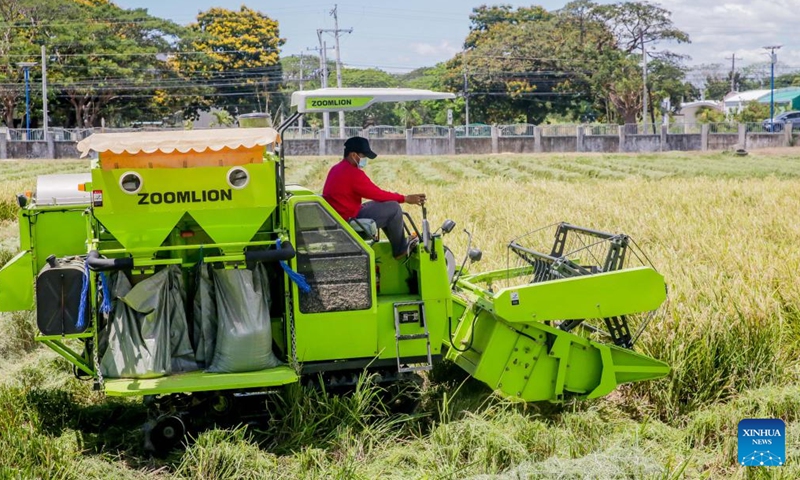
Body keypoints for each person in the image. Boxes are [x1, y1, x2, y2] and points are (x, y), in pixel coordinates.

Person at [322, 136, 425, 259]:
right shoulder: (352, 173)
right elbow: (377, 194)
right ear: (354, 155)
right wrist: (405, 198)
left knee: (386, 204)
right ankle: (400, 249)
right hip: (348, 220)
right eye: (363, 156)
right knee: (393, 207)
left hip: (340, 216)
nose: (364, 160)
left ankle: (398, 241)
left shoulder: (336, 169)